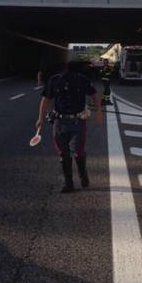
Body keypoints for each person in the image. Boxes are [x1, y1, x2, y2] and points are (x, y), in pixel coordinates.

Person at [36, 60, 103, 193]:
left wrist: (99, 112)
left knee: (76, 151)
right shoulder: (56, 80)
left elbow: (94, 95)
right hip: (59, 121)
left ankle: (82, 176)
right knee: (65, 153)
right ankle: (69, 184)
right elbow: (46, 99)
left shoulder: (81, 79)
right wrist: (40, 118)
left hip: (77, 121)